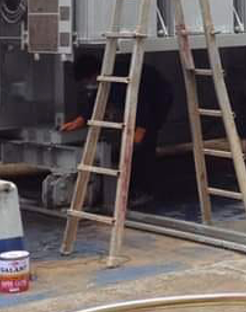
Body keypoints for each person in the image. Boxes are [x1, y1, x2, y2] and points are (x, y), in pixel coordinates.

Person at [61, 51, 174, 203]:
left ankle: (145, 191)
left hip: (157, 99)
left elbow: (142, 103)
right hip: (143, 102)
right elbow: (97, 97)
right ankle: (135, 187)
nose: (88, 84)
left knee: (143, 147)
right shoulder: (106, 76)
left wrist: (141, 130)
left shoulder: (119, 79)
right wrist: (81, 119)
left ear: (93, 74)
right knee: (134, 146)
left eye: (87, 80)